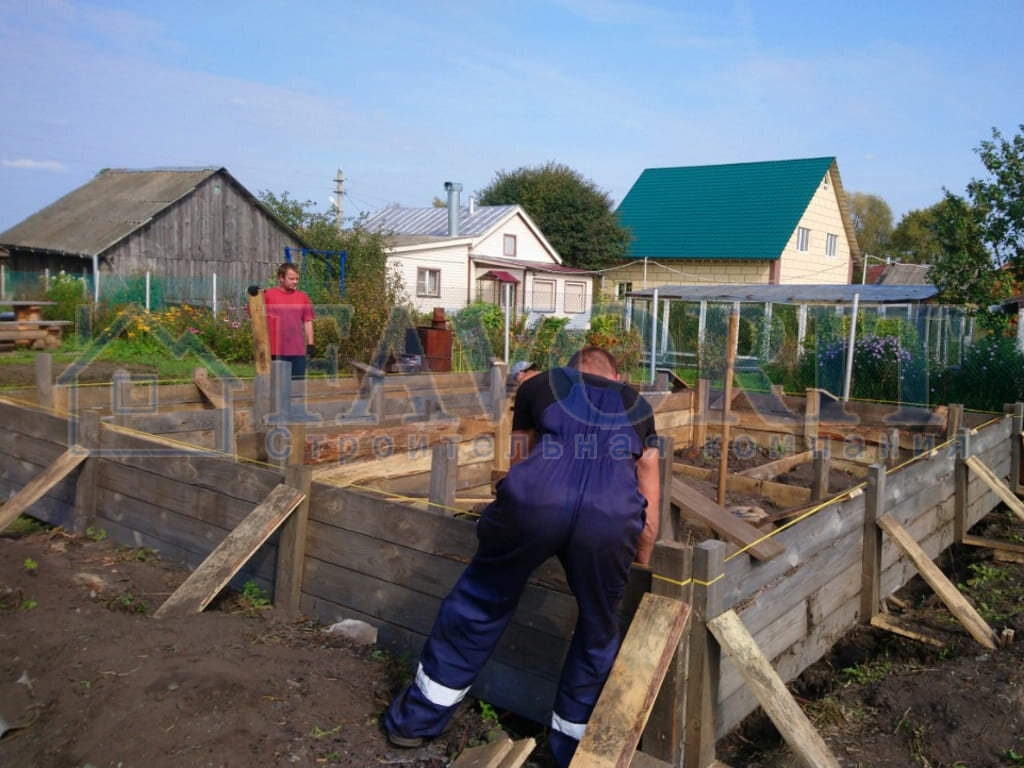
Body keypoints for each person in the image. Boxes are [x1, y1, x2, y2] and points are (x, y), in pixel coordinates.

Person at [384, 345, 660, 767]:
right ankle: (574, 753)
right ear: (617, 377)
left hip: (536, 501)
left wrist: (511, 524)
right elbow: (649, 497)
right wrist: (639, 562)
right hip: (609, 520)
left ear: (570, 370)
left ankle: (414, 722)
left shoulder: (541, 385)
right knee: (597, 629)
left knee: (481, 600)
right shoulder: (638, 406)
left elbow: (520, 462)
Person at [263, 262, 315, 379]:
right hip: (275, 350)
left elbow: (308, 321)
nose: (295, 282)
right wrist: (254, 295)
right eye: (291, 279)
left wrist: (311, 344)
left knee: (298, 385)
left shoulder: (302, 297)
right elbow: (253, 313)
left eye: (297, 279)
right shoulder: (268, 295)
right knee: (278, 385)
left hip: (297, 351)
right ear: (281, 278)